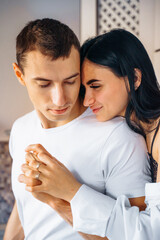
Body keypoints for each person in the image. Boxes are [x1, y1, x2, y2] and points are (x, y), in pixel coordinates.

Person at [3, 19, 151, 240]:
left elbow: (135, 235)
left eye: (71, 81)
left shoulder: (119, 136)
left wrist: (57, 199)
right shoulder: (21, 128)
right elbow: (25, 207)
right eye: (44, 84)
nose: (60, 99)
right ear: (19, 75)